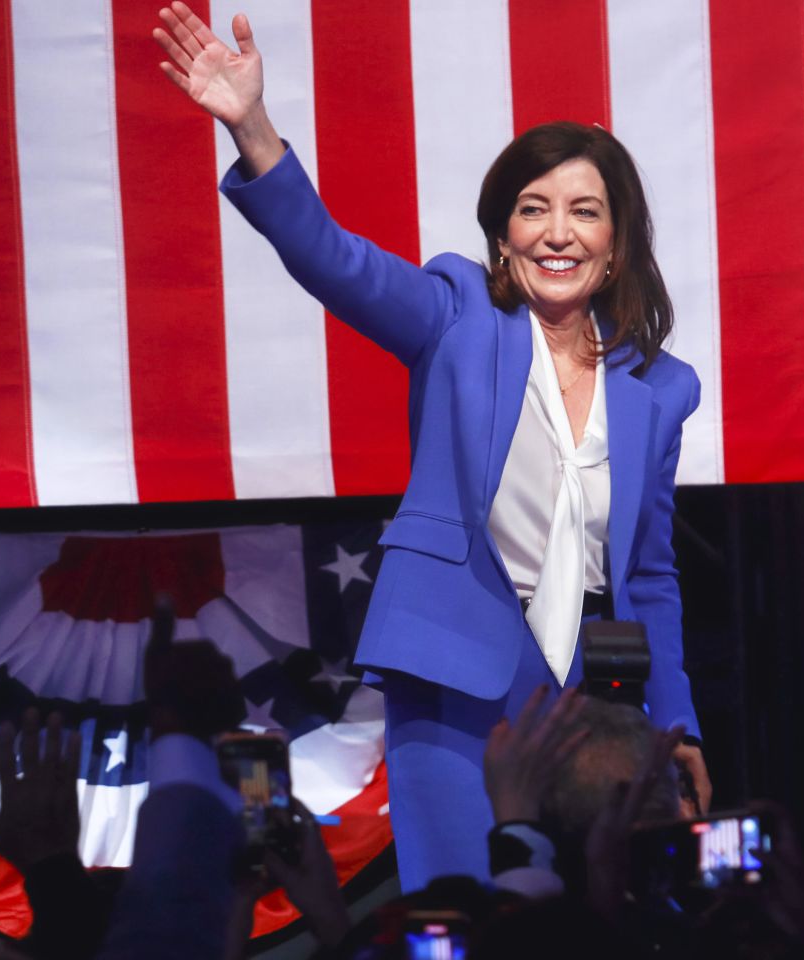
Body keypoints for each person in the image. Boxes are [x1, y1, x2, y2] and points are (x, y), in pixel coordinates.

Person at [152, 2, 711, 891]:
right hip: (459, 677)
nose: (557, 232)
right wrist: (252, 126)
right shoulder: (457, 316)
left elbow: (648, 575)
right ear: (502, 234)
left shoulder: (661, 387)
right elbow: (332, 258)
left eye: (584, 212)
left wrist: (675, 725)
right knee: (464, 904)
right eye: (534, 209)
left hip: (597, 700)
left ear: (615, 244)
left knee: (596, 922)